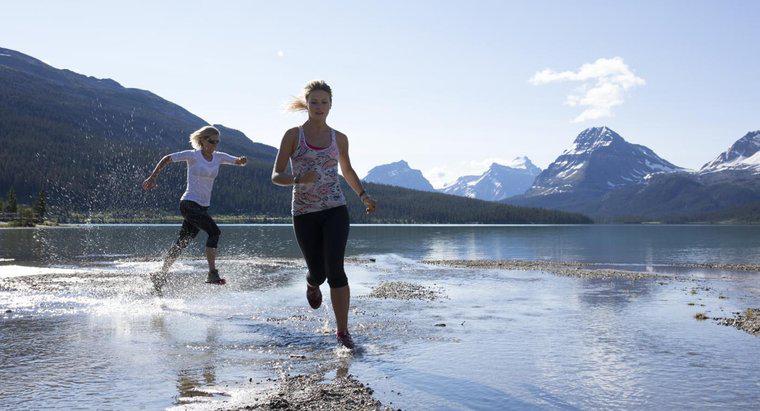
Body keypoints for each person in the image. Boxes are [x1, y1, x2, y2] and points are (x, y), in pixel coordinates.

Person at [272, 80, 376, 350]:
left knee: (336, 270)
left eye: (324, 102)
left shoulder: (339, 138)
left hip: (335, 209)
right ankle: (311, 282)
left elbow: (348, 171)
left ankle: (342, 333)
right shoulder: (293, 135)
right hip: (304, 212)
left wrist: (363, 196)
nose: (319, 107)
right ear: (306, 104)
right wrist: (297, 179)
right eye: (314, 102)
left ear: (331, 105)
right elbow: (276, 175)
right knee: (318, 273)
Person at [142, 125, 247, 291]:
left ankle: (160, 275)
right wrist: (152, 176)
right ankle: (212, 273)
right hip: (189, 204)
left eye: (217, 142)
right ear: (202, 140)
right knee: (214, 232)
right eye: (211, 141)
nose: (214, 145)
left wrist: (241, 161)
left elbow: (237, 161)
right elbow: (167, 158)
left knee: (181, 244)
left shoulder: (218, 157)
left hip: (202, 208)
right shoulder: (192, 156)